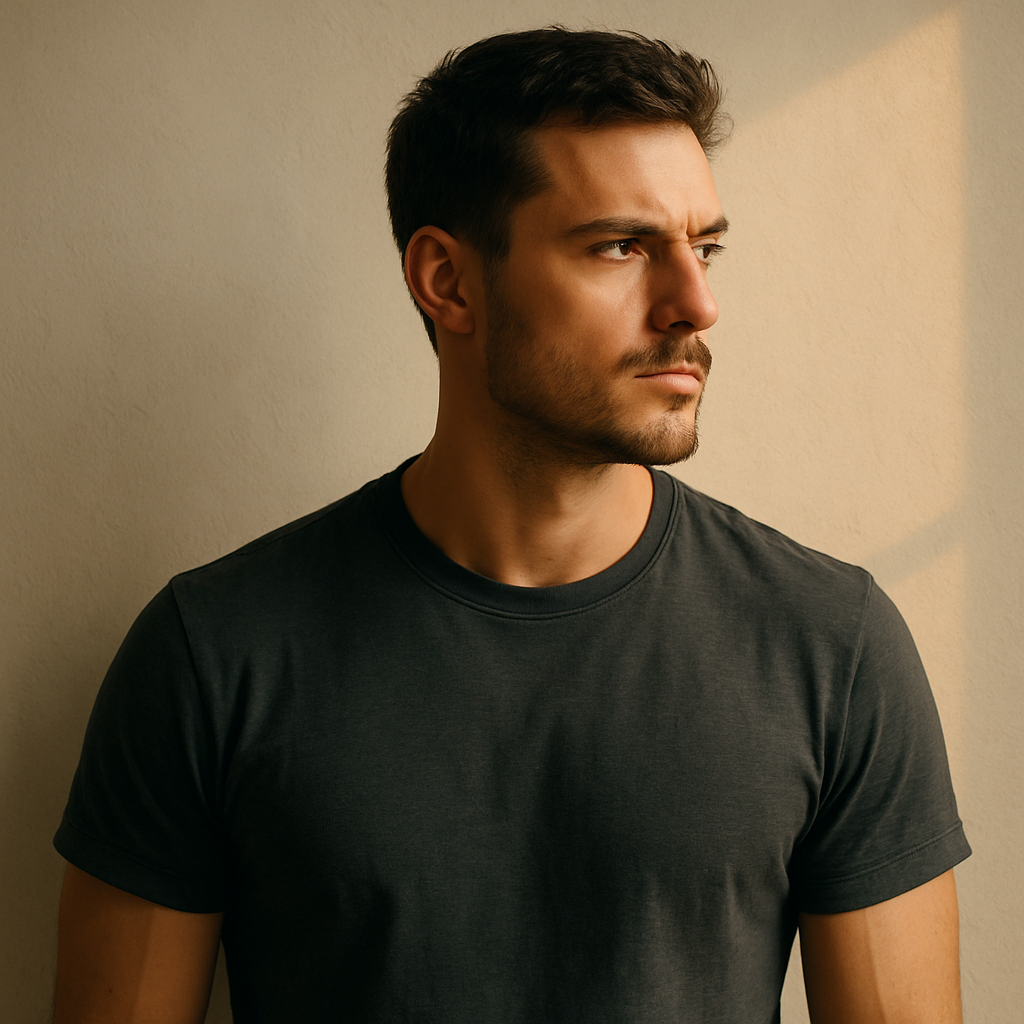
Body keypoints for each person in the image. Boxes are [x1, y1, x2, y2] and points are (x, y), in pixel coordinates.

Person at [53, 27, 970, 1024]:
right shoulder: (214, 654)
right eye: (621, 247)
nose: (695, 303)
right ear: (448, 281)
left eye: (703, 247)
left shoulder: (832, 648)